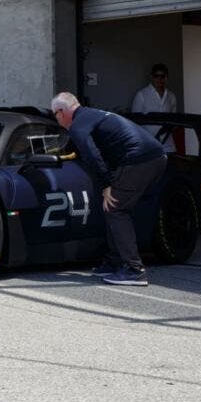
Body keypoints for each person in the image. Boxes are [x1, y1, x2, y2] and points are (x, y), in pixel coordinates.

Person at [51, 91, 167, 287]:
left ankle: (133, 270)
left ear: (61, 112)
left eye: (55, 115)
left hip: (140, 159)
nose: (56, 119)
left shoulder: (78, 125)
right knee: (113, 208)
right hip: (155, 156)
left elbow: (92, 155)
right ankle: (115, 262)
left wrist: (106, 184)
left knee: (115, 208)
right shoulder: (92, 114)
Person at [130, 63, 177, 152]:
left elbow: (174, 121)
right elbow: (135, 123)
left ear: (166, 78)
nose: (159, 79)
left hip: (168, 146)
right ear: (152, 77)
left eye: (162, 76)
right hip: (148, 145)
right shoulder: (141, 95)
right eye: (156, 76)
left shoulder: (171, 96)